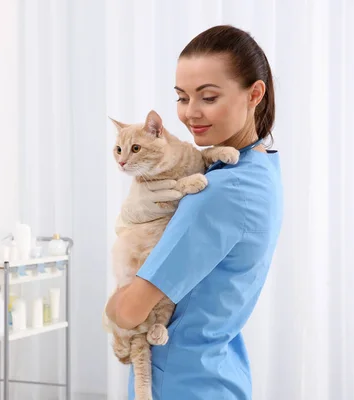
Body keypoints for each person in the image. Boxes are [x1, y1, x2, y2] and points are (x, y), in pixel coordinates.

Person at [105, 24, 283, 400]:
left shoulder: (219, 192)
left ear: (254, 94)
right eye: (182, 97)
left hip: (182, 383)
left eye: (208, 97)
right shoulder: (257, 168)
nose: (190, 113)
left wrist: (111, 305)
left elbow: (131, 311)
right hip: (218, 373)